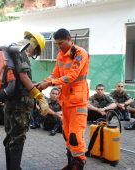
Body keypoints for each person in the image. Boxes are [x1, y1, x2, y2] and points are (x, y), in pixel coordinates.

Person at [37, 28, 90, 169]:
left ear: (68, 39)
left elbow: (72, 76)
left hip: (78, 101)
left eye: (61, 43)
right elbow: (55, 74)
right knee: (67, 134)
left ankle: (78, 165)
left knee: (75, 135)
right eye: (57, 44)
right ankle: (72, 163)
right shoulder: (61, 54)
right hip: (66, 101)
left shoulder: (80, 54)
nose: (59, 46)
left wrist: (50, 83)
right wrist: (43, 82)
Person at [3, 31, 48, 170]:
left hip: (10, 102)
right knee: (18, 138)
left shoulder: (10, 50)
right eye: (36, 51)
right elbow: (23, 77)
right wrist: (39, 98)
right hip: (20, 106)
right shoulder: (21, 51)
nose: (33, 54)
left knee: (10, 136)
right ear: (35, 45)